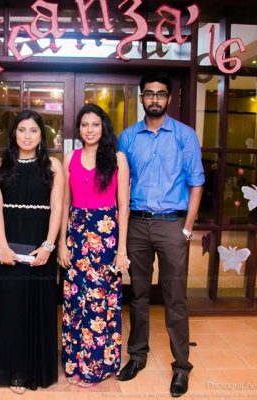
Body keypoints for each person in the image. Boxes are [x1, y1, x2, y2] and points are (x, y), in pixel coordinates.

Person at [117, 71, 205, 398]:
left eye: (161, 93)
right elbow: (121, 184)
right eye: (149, 93)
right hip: (137, 225)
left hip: (171, 226)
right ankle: (137, 355)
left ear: (168, 98)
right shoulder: (128, 138)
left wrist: (187, 228)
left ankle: (181, 366)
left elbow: (196, 183)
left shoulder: (184, 135)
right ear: (141, 97)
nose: (155, 99)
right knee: (138, 294)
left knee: (175, 297)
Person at [0, 109, 64, 394]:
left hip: (41, 242)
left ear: (42, 135)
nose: (27, 136)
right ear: (13, 133)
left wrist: (48, 246)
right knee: (11, 307)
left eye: (33, 130)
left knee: (39, 305)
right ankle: (14, 371)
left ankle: (37, 370)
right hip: (10, 241)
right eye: (21, 130)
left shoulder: (53, 165)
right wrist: (3, 246)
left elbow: (57, 207)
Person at [58, 103, 130, 387]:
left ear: (104, 127)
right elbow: (64, 203)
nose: (90, 130)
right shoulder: (70, 158)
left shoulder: (117, 158)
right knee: (76, 301)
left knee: (101, 302)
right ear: (79, 128)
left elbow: (123, 206)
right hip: (76, 235)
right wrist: (61, 244)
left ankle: (98, 366)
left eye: (95, 125)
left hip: (106, 235)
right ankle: (75, 364)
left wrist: (122, 250)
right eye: (85, 125)